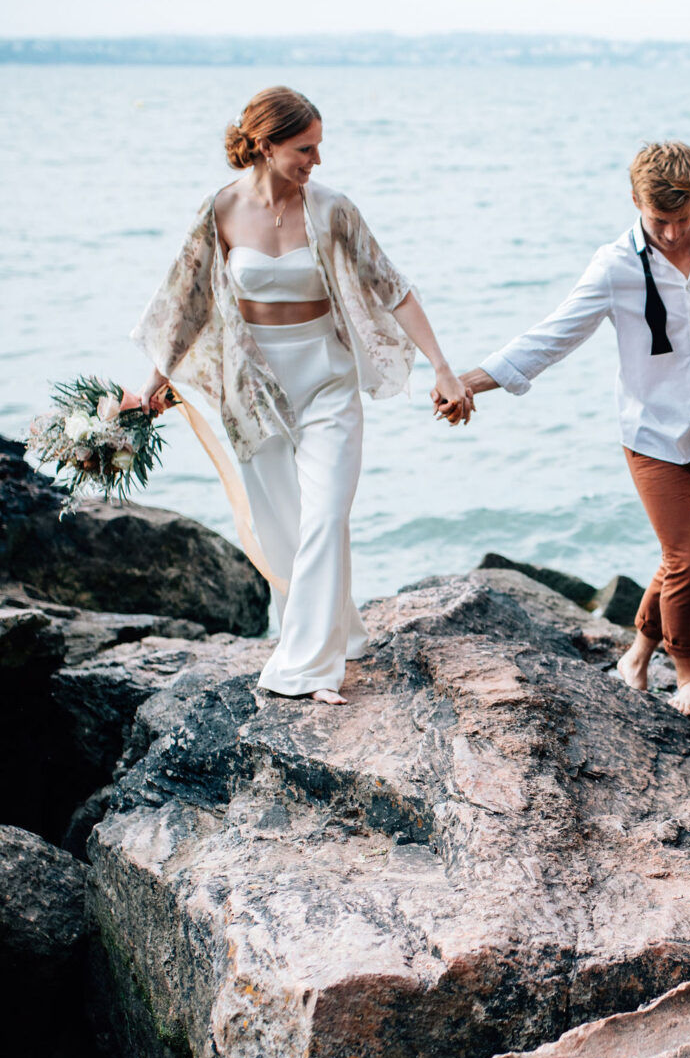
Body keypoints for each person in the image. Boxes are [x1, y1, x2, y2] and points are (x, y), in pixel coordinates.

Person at [437, 141, 690, 715]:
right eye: (660, 220)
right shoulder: (615, 268)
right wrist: (469, 382)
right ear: (634, 200)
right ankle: (687, 673)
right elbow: (551, 337)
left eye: (682, 219)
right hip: (652, 437)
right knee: (688, 556)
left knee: (688, 555)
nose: (674, 234)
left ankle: (635, 654)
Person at [134, 86, 471, 704]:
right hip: (254, 385)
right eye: (304, 148)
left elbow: (392, 287)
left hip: (327, 378)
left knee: (325, 515)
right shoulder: (221, 211)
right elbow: (184, 304)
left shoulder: (334, 209)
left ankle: (307, 670)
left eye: (318, 147)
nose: (315, 160)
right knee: (281, 527)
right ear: (265, 144)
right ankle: (333, 631)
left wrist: (443, 368)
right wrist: (150, 387)